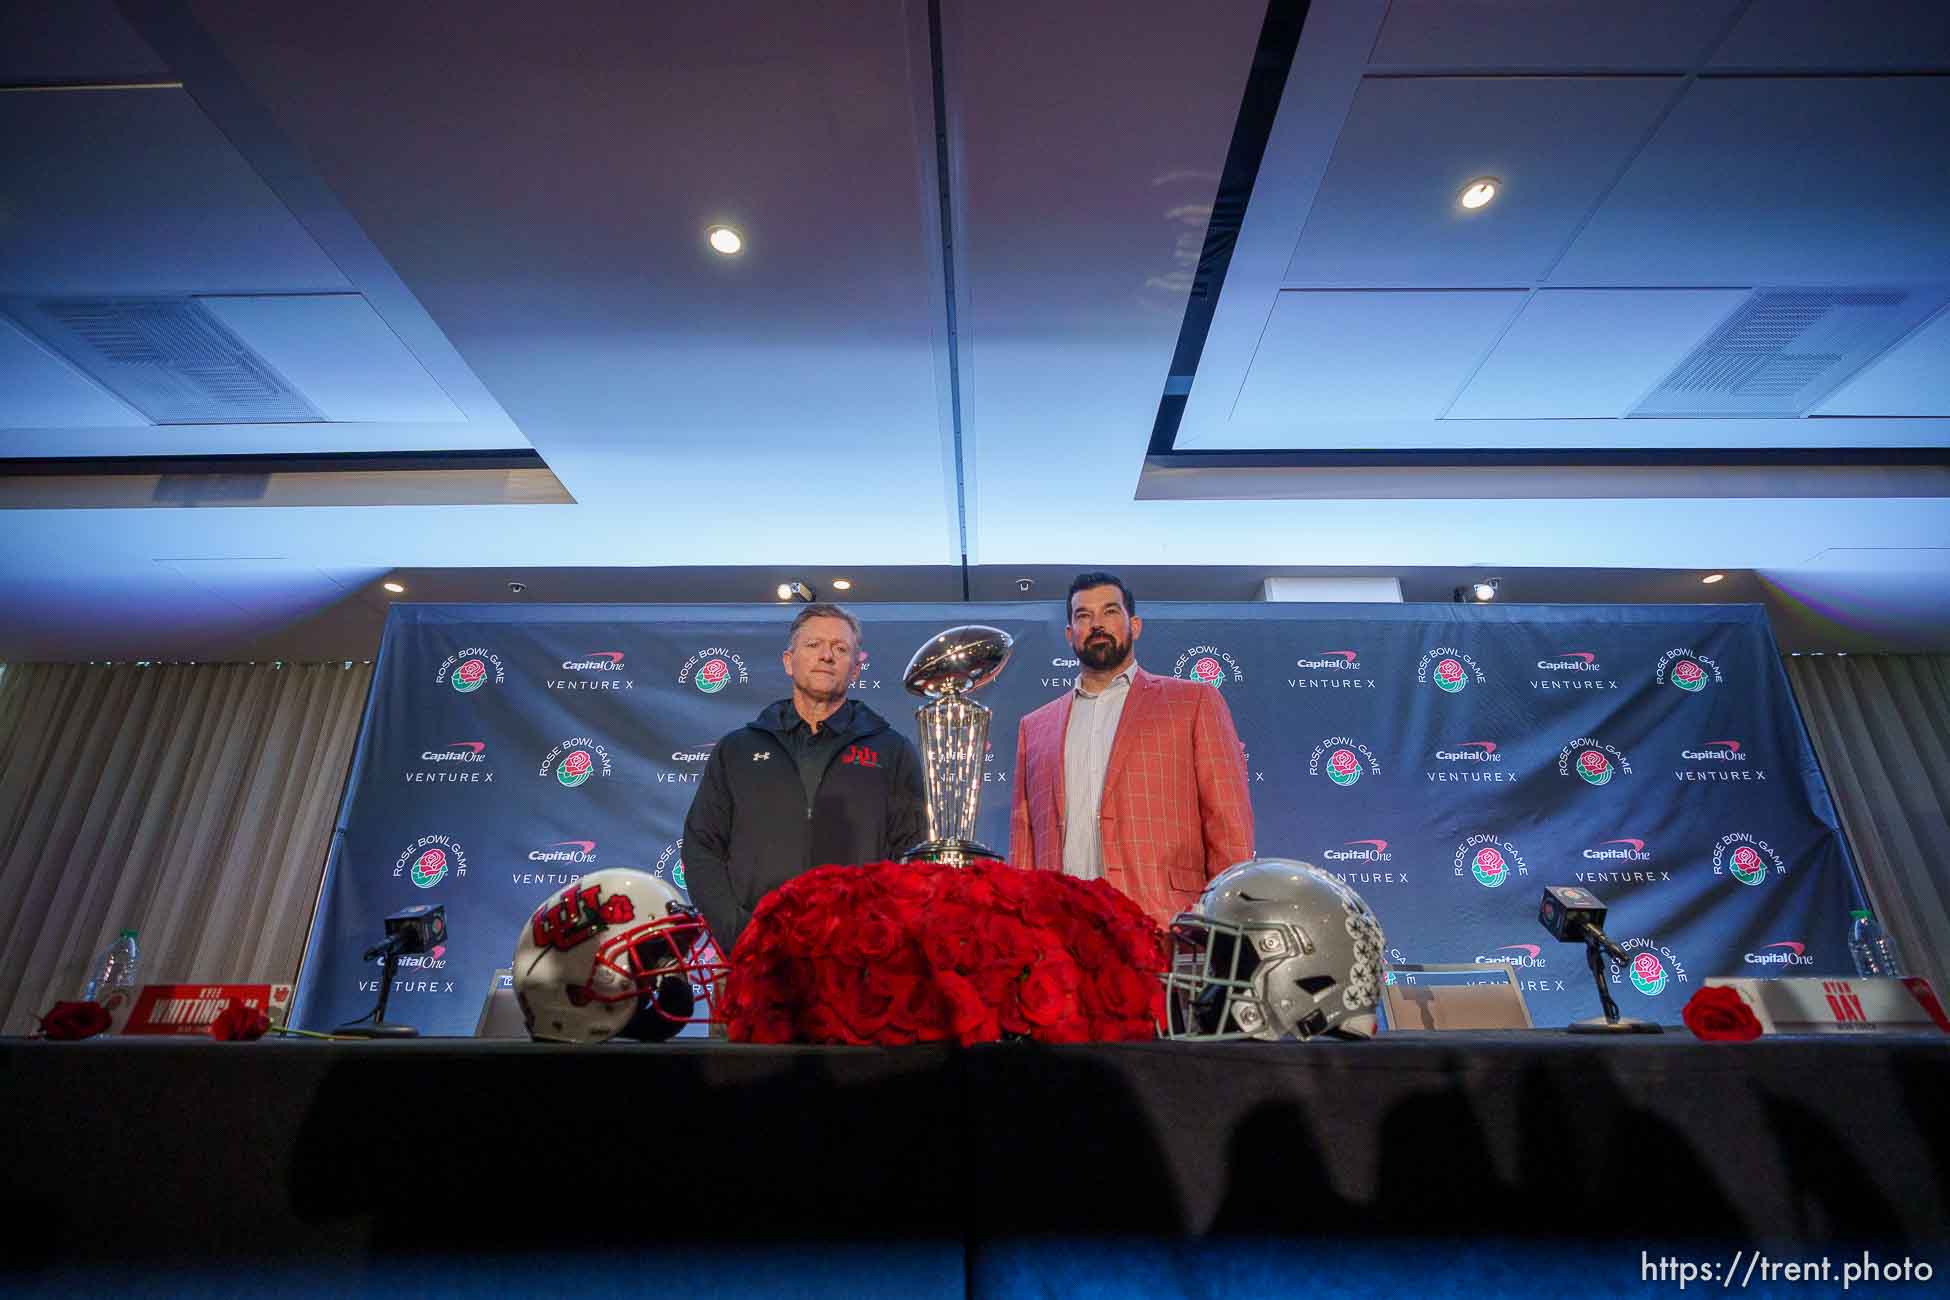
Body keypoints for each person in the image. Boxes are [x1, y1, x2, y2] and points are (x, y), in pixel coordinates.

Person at [1009, 572, 1254, 927]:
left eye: (1109, 612)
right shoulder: (1035, 728)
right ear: (1069, 634)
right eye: (1083, 616)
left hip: (1165, 927)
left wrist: (1225, 928)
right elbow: (1024, 846)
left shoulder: (1193, 702)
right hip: (1062, 935)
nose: (1097, 624)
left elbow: (1228, 826)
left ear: (1134, 625)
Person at [683, 603, 928, 957]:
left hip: (857, 964)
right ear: (788, 661)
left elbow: (912, 856)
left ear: (857, 667)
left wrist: (874, 938)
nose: (826, 656)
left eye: (840, 648)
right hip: (751, 958)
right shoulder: (736, 749)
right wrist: (741, 934)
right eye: (813, 645)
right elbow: (701, 847)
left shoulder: (893, 751)